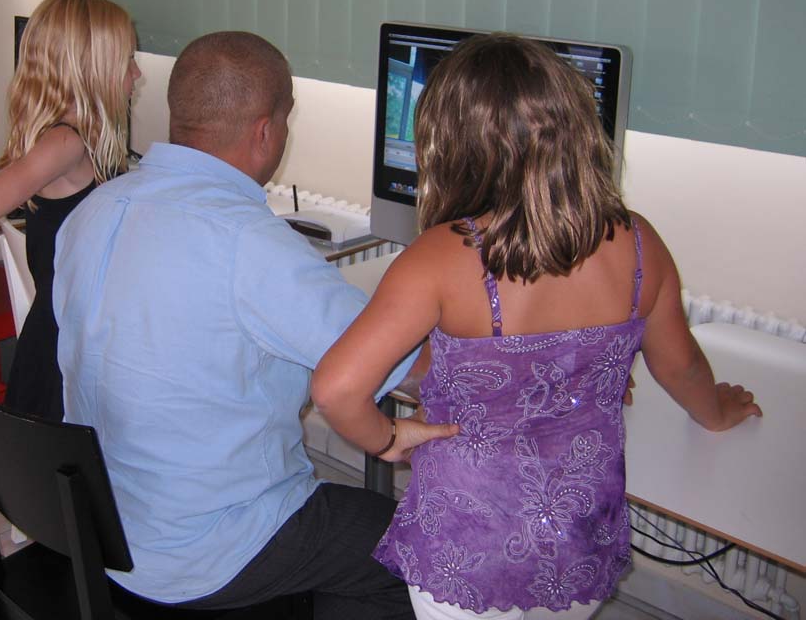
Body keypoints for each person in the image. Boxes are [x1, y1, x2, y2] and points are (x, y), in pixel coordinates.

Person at [311, 33, 762, 620]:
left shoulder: (440, 257)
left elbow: (337, 389)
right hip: (577, 532)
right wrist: (717, 412)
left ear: (449, 147)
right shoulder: (640, 244)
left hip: (467, 548)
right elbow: (681, 368)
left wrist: (389, 438)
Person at [53, 31, 457, 618]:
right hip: (208, 553)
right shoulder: (251, 245)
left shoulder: (92, 210)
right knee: (435, 555)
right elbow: (407, 369)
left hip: (103, 526)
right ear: (266, 131)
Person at [0, 0, 141, 420]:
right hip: (60, 352)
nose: (137, 73)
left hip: (70, 336)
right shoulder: (66, 142)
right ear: (93, 69)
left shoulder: (75, 139)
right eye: (127, 59)